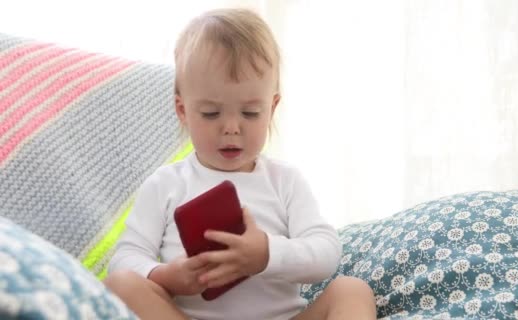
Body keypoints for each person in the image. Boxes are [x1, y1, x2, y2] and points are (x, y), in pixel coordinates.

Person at [104, 8, 377, 320]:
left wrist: (266, 254)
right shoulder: (166, 183)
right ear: (182, 110)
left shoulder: (284, 181)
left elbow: (326, 252)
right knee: (120, 284)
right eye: (211, 113)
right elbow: (125, 257)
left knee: (351, 290)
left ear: (272, 107)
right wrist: (165, 276)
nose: (231, 127)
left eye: (250, 113)